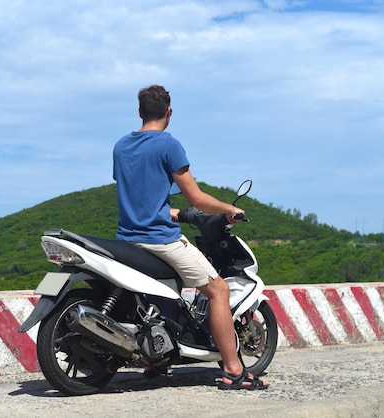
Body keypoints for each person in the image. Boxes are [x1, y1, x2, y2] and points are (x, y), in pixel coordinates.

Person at [112, 85, 268, 390]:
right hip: (160, 240)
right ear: (168, 112)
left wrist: (167, 210)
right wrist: (228, 209)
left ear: (140, 112)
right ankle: (234, 370)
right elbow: (196, 198)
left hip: (127, 239)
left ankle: (157, 359)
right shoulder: (168, 145)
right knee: (218, 290)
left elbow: (136, 189)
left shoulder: (121, 146)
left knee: (163, 296)